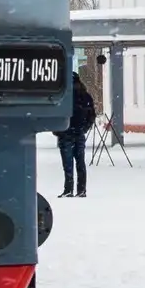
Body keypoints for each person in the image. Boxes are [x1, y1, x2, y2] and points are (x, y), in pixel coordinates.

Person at [56, 70, 96, 198]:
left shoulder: (62, 96)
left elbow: (55, 115)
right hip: (79, 133)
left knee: (67, 165)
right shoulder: (85, 96)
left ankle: (68, 190)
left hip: (65, 133)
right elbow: (92, 115)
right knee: (80, 163)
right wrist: (84, 128)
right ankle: (81, 190)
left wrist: (58, 130)